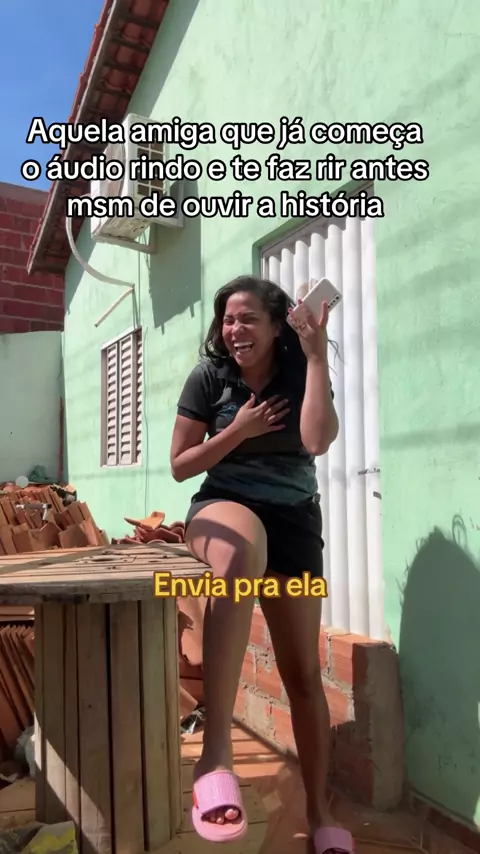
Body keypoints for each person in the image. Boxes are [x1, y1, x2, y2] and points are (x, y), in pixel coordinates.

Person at [170, 275, 354, 854]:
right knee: (242, 550)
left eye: (248, 318)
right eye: (228, 319)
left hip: (294, 526)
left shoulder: (300, 370)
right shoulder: (209, 378)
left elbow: (317, 440)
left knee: (302, 675)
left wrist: (317, 356)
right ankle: (215, 755)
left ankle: (320, 812)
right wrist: (238, 430)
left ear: (278, 326)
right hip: (223, 509)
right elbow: (180, 465)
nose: (235, 329)